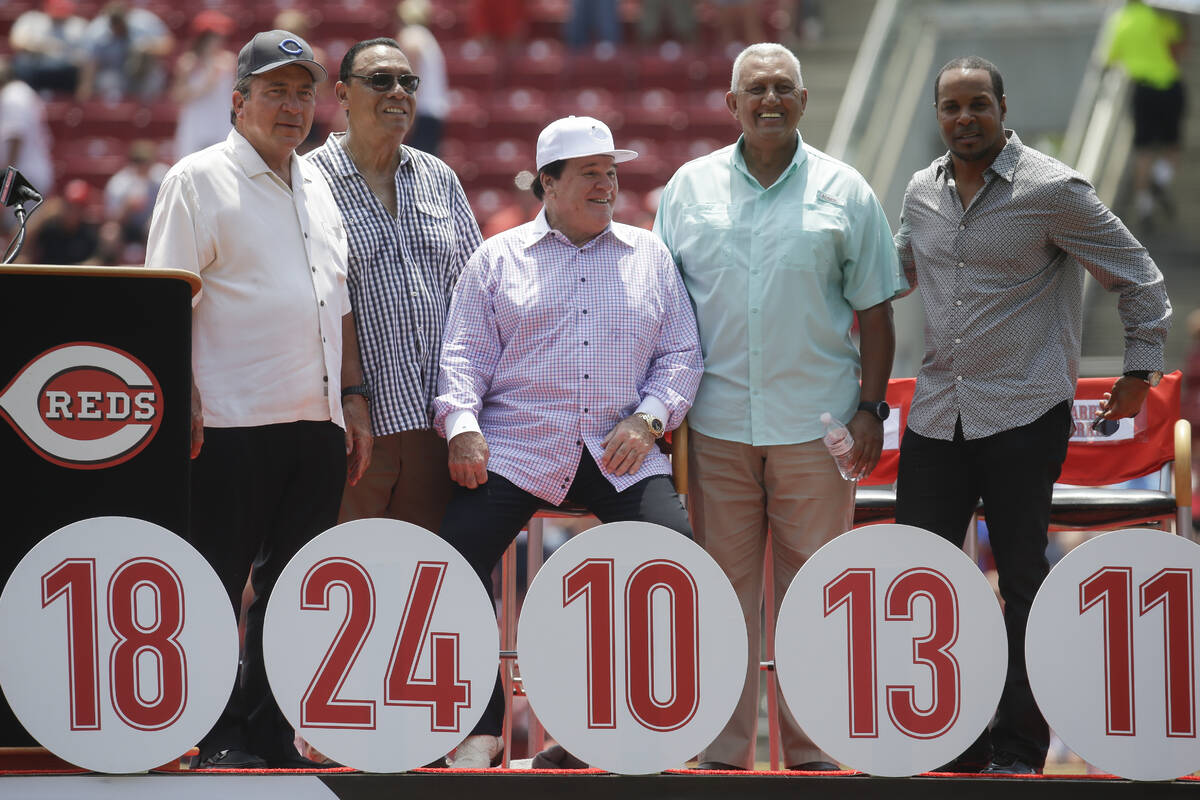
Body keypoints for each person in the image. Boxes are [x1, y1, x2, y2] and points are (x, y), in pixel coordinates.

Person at [893, 55, 1171, 775]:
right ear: (937, 113)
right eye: (951, 106)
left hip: (1024, 409)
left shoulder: (1054, 190)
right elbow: (890, 273)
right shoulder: (921, 192)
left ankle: (1019, 749)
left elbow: (1140, 276)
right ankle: (946, 743)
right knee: (923, 577)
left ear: (1003, 105)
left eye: (978, 103)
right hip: (935, 415)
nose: (964, 118)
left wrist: (1140, 370)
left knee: (1021, 579)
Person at [653, 42, 904, 771]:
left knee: (815, 597)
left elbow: (877, 314)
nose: (769, 100)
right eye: (754, 89)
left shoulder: (846, 191)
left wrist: (870, 409)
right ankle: (722, 757)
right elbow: (662, 308)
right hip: (716, 428)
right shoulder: (687, 188)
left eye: (783, 88)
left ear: (803, 100)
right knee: (721, 599)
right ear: (731, 105)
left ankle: (816, 754)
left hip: (818, 429)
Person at [434, 115, 703, 768]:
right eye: (589, 173)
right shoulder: (496, 258)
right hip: (517, 448)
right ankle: (479, 729)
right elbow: (462, 357)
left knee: (675, 562)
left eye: (612, 172)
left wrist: (648, 419)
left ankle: (622, 730)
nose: (607, 184)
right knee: (452, 560)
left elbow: (682, 355)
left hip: (621, 454)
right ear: (546, 184)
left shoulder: (651, 255)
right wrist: (463, 429)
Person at [144, 29, 372, 770]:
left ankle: (267, 732)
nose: (292, 106)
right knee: (215, 578)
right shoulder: (197, 178)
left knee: (291, 589)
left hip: (313, 419)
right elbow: (164, 299)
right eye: (275, 91)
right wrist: (179, 394)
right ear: (238, 101)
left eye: (304, 92)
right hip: (232, 418)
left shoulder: (320, 183)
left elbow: (335, 300)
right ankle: (201, 732)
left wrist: (352, 398)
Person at [308, 37, 482, 533]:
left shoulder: (439, 177)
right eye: (380, 81)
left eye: (408, 82)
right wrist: (349, 395)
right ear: (342, 94)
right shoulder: (308, 182)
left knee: (422, 587)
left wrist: (466, 417)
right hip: (347, 428)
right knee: (337, 577)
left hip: (434, 427)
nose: (398, 92)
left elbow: (476, 301)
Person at [1104, 0, 1188, 229]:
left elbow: (1109, 58)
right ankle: (1158, 184)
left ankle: (1144, 206)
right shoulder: (1161, 18)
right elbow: (1178, 48)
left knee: (1143, 151)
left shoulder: (1119, 21)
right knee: (1173, 147)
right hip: (1169, 85)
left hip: (1142, 90)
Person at [171, 10, 236, 158]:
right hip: (196, 122)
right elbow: (178, 95)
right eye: (213, 37)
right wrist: (203, 87)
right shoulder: (188, 62)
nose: (218, 41)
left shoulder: (229, 61)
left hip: (221, 120)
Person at [78, 1, 173, 101]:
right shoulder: (96, 31)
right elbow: (91, 62)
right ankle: (116, 114)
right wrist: (85, 87)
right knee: (108, 82)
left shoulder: (145, 22)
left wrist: (148, 47)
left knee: (153, 79)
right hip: (115, 72)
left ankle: (148, 113)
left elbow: (168, 44)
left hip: (144, 72)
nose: (117, 27)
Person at [396, 0, 449, 156]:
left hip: (421, 113)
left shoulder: (411, 36)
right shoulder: (427, 37)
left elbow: (411, 78)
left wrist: (407, 111)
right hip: (432, 113)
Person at [0, 57, 54, 200]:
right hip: (31, 173)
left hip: (24, 176)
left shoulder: (13, 96)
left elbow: (16, 138)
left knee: (18, 221)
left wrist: (6, 185)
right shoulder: (21, 91)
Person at [7, 0, 87, 93]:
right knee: (21, 63)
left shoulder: (78, 25)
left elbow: (86, 55)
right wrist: (42, 47)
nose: (59, 18)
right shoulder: (31, 19)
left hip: (65, 68)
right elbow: (16, 43)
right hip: (36, 65)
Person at [103, 138, 168, 250]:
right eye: (138, 161)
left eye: (145, 161)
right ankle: (110, 265)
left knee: (153, 225)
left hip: (152, 225)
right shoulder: (119, 183)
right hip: (126, 226)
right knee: (110, 232)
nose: (142, 165)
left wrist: (155, 216)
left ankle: (157, 264)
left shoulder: (163, 177)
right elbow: (112, 220)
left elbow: (169, 209)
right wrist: (126, 208)